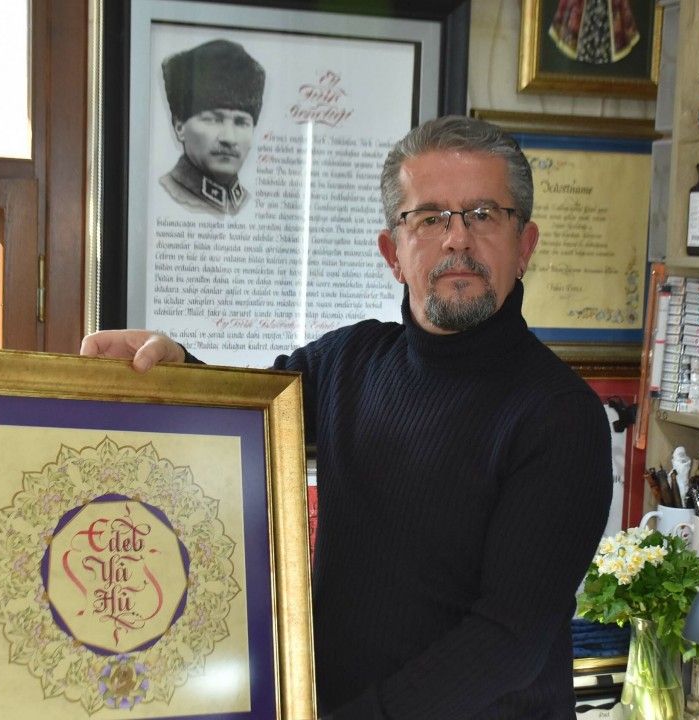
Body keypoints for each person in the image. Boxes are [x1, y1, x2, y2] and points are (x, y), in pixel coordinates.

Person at [82, 116, 613, 718]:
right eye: (430, 218)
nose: (457, 239)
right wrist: (175, 370)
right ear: (393, 253)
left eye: (484, 214)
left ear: (526, 245)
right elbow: (243, 425)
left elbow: (506, 643)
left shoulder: (560, 416)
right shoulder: (346, 361)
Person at [159, 39, 265, 216]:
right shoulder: (164, 195)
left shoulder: (249, 206)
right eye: (214, 120)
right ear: (179, 127)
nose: (229, 138)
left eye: (241, 122)